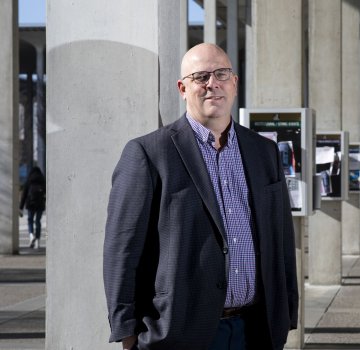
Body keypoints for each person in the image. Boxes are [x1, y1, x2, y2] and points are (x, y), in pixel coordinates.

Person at [103, 43, 298, 350]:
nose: (212, 84)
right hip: (181, 334)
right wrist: (128, 333)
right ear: (183, 88)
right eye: (200, 76)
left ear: (234, 83)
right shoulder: (149, 153)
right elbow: (122, 250)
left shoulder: (264, 152)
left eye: (221, 74)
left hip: (256, 330)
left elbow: (282, 239)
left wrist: (287, 312)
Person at [19, 166, 46, 249]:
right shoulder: (42, 180)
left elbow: (24, 195)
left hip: (30, 203)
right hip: (40, 204)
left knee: (30, 220)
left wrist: (21, 207)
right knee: (38, 221)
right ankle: (37, 240)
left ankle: (31, 236)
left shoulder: (29, 180)